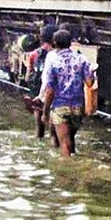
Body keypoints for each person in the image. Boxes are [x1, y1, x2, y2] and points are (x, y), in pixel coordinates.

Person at [41, 28, 95, 157]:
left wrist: (45, 112)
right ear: (70, 43)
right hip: (77, 107)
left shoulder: (53, 61)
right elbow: (89, 83)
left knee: (64, 143)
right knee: (71, 140)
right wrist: (92, 72)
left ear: (54, 43)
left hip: (60, 106)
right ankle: (74, 163)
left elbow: (50, 90)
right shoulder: (81, 59)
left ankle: (67, 172)